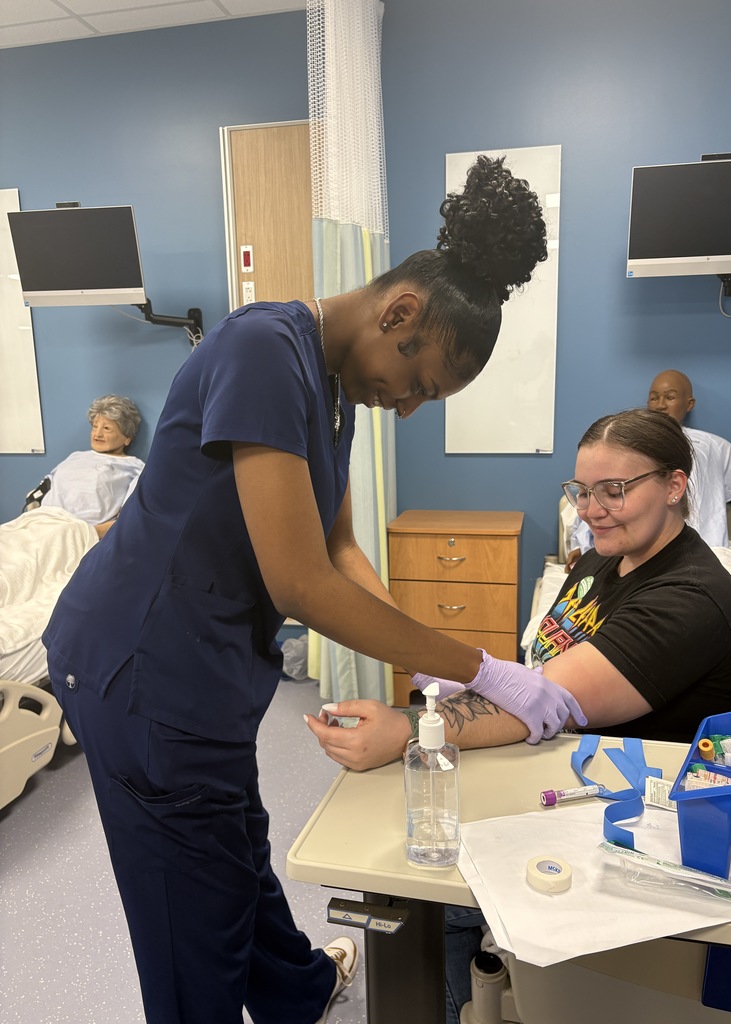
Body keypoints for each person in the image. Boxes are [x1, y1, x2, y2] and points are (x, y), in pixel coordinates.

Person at [42, 156, 585, 1024]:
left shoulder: (333, 392)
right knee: (192, 905)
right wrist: (482, 667)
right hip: (140, 666)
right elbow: (299, 583)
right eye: (416, 383)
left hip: (204, 664)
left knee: (235, 846)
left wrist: (425, 670)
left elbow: (338, 549)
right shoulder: (263, 350)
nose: (406, 406)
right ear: (398, 312)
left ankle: (297, 993)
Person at [308, 407, 731, 1023]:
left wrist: (409, 729)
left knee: (430, 898)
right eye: (582, 491)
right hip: (552, 773)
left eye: (614, 491)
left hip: (625, 820)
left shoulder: (691, 598)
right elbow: (530, 675)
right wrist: (457, 683)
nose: (592, 510)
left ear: (675, 486)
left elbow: (548, 699)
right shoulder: (603, 557)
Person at [567, 368, 731, 566]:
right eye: (654, 398)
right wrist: (580, 545)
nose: (661, 405)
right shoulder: (619, 445)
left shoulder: (716, 448)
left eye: (670, 397)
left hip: (703, 552)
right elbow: (593, 496)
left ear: (689, 404)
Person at [23, 394, 144, 538]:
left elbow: (127, 519)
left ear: (127, 438)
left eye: (106, 428)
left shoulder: (134, 467)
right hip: (39, 523)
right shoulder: (76, 456)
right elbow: (41, 490)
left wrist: (86, 534)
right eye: (95, 426)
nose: (97, 434)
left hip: (78, 532)